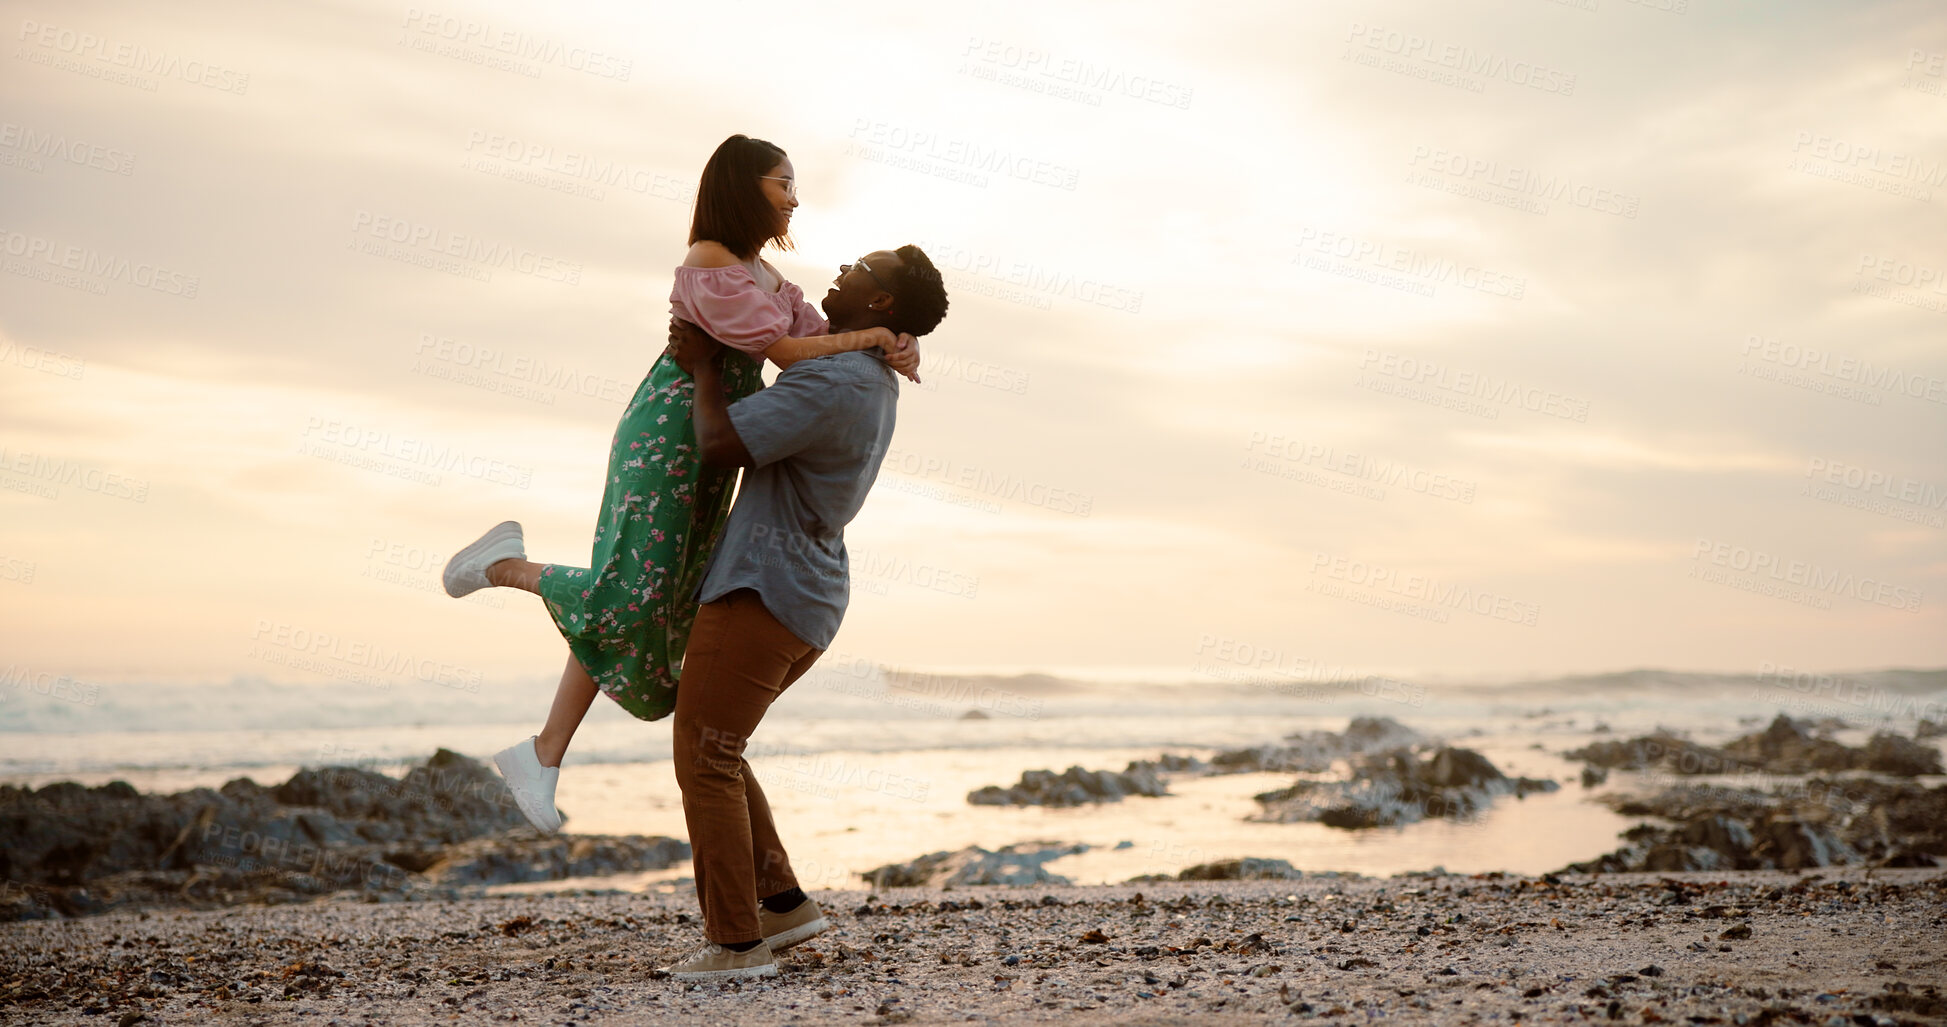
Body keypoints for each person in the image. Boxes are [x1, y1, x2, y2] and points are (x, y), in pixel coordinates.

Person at [438, 134, 919, 833]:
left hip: (717, 433)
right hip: (671, 431)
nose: (794, 197)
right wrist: (871, 338)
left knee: (652, 599)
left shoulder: (764, 275)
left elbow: (816, 338)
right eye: (783, 183)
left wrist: (896, 335)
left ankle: (542, 753)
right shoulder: (711, 263)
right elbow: (788, 353)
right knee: (627, 592)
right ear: (742, 186)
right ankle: (502, 564)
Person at [656, 244, 949, 981]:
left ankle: (735, 945)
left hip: (765, 587)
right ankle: (781, 902)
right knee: (719, 746)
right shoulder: (864, 371)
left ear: (881, 304)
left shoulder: (837, 379)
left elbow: (722, 444)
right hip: (804, 591)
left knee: (703, 754)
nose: (846, 265)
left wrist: (699, 371)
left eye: (865, 267)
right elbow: (791, 332)